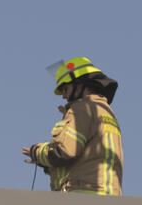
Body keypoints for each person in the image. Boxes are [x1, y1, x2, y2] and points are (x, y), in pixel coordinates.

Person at [23, 56, 123, 195]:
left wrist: (38, 152)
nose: (63, 96)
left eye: (65, 89)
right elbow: (86, 159)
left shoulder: (82, 109)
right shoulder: (105, 111)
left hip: (83, 195)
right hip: (107, 197)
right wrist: (47, 164)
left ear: (80, 83)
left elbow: (66, 152)